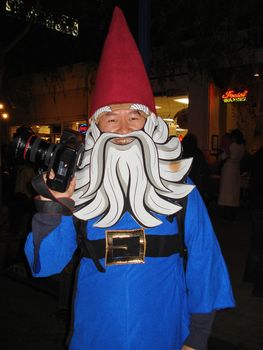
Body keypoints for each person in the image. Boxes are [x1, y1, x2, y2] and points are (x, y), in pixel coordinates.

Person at [24, 7, 234, 350]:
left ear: (150, 124)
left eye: (134, 117)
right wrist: (52, 208)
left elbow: (205, 263)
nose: (122, 129)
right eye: (111, 119)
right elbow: (44, 266)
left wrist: (196, 338)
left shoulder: (181, 191)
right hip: (95, 335)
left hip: (165, 334)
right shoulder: (78, 190)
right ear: (96, 127)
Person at [243, 121, 263, 297]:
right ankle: (259, 286)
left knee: (256, 243)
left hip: (256, 203)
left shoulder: (257, 156)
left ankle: (250, 276)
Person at [217, 128, 245, 221]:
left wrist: (220, 158)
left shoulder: (232, 145)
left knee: (227, 192)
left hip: (228, 168)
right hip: (236, 169)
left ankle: (227, 215)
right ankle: (233, 214)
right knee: (234, 192)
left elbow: (224, 155)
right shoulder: (242, 146)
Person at [182, 133, 210, 202]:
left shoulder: (182, 153)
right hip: (196, 181)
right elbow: (205, 169)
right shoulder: (198, 153)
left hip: (184, 180)